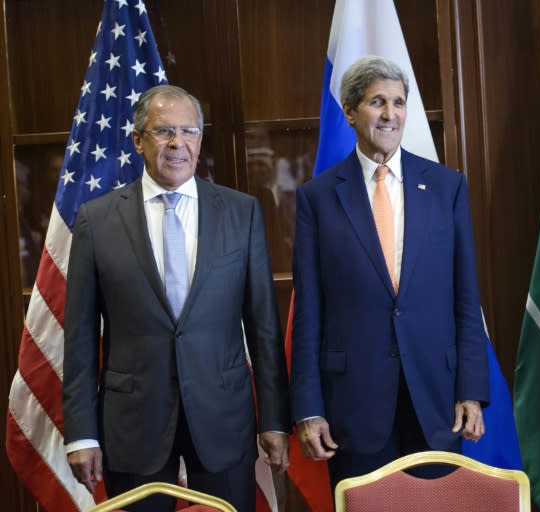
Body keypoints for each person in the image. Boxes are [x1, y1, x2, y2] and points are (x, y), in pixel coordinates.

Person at [62, 85, 290, 511]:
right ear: (137, 139)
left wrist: (276, 420)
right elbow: (77, 338)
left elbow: (263, 329)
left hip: (222, 417)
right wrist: (81, 432)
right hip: (133, 423)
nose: (177, 144)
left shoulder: (241, 213)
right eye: (164, 131)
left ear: (200, 139)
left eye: (189, 131)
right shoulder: (97, 219)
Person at [290, 55, 489, 491]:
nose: (390, 114)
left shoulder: (446, 187)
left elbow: (465, 297)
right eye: (377, 101)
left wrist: (472, 389)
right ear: (348, 111)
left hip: (437, 399)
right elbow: (308, 311)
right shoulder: (317, 198)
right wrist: (309, 408)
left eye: (399, 103)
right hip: (353, 402)